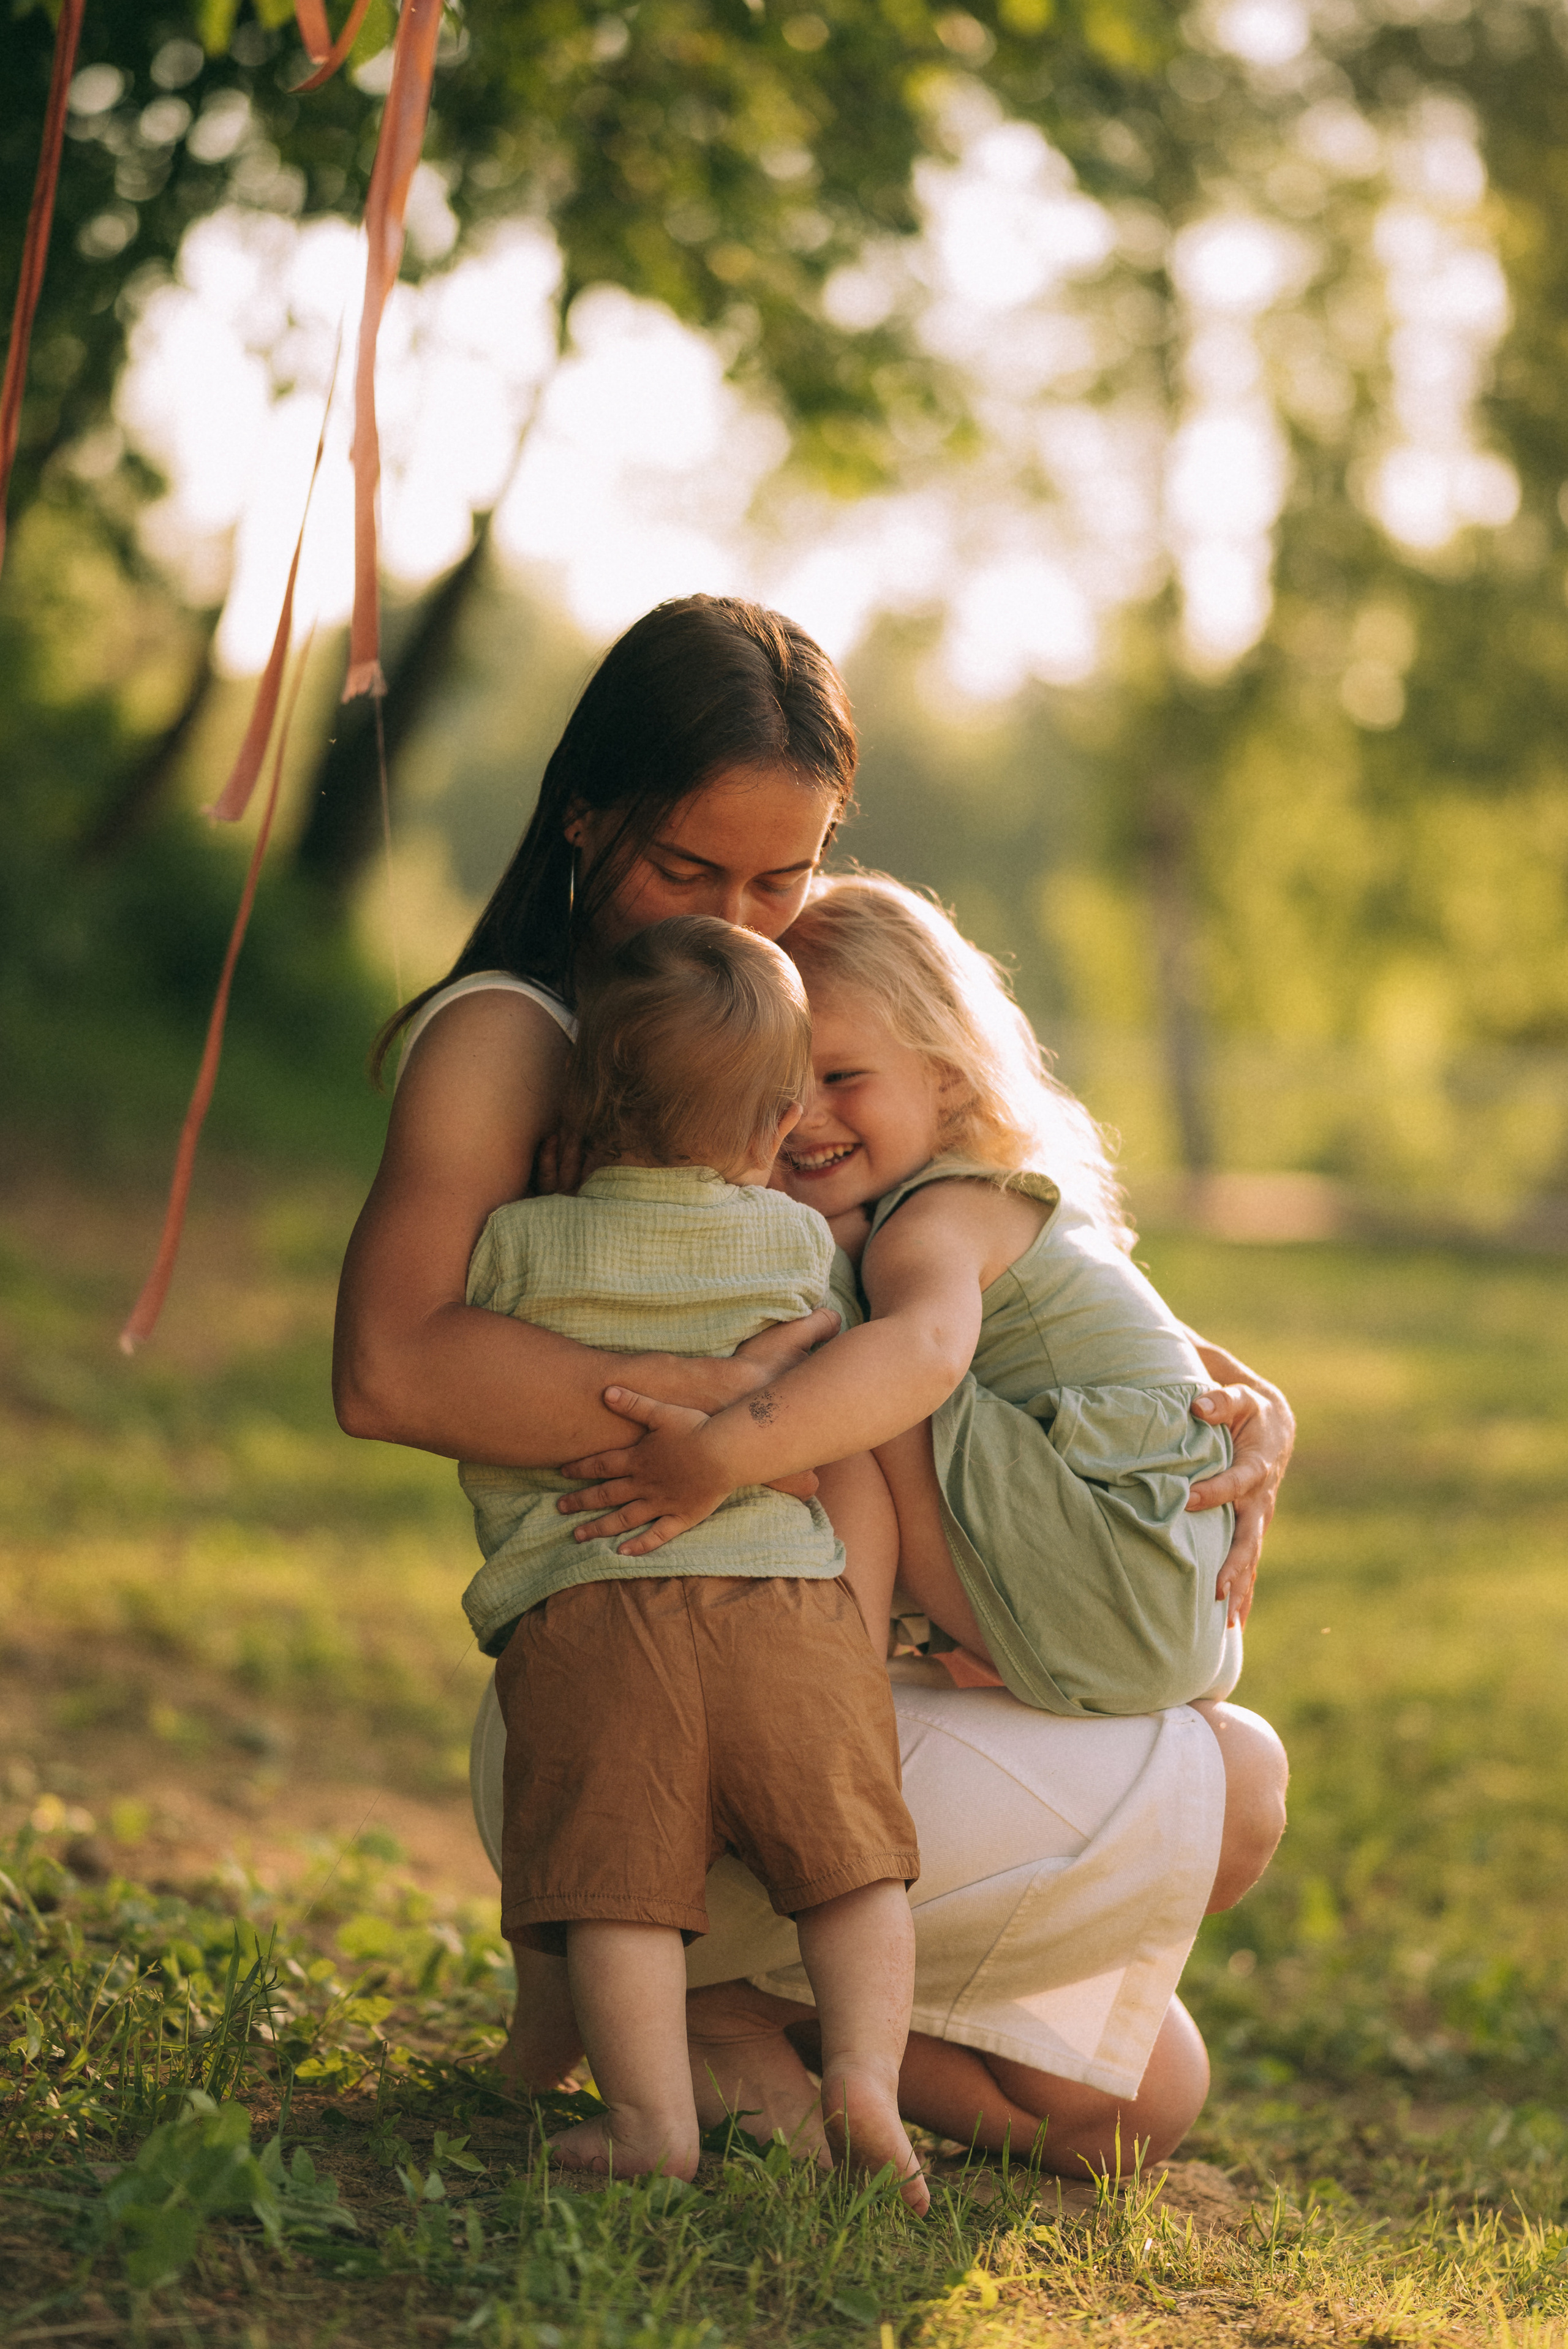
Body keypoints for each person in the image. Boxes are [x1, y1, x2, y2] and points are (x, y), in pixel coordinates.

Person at [336, 592, 1291, 2178]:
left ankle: (739, 2026)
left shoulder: (787, 1025)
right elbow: (387, 1366)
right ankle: (683, 1982)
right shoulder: (522, 1038)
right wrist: (749, 1414)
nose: (744, 917)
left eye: (782, 877)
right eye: (690, 870)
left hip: (790, 1671)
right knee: (1237, 1779)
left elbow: (979, 1270)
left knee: (1143, 2097)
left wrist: (1231, 1397)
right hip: (621, 1700)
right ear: (585, 818)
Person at [457, 915, 924, 2198]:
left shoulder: (518, 1244)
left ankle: (653, 2121)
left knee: (617, 1890)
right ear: (778, 1115)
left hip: (590, 1608)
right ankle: (868, 2081)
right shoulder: (793, 1244)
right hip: (785, 1600)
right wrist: (752, 1375)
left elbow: (476, 1376)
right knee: (849, 1864)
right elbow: (822, 1346)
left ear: (582, 1098)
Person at [558, 872, 1246, 1719]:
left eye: (843, 1076)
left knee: (848, 1367)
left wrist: (719, 1456)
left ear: (949, 1078)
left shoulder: (936, 1221)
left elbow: (924, 1353)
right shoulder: (966, 1201)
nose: (802, 1116)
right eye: (777, 1087)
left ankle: (831, 1673)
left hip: (1119, 1581)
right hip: (1179, 1602)